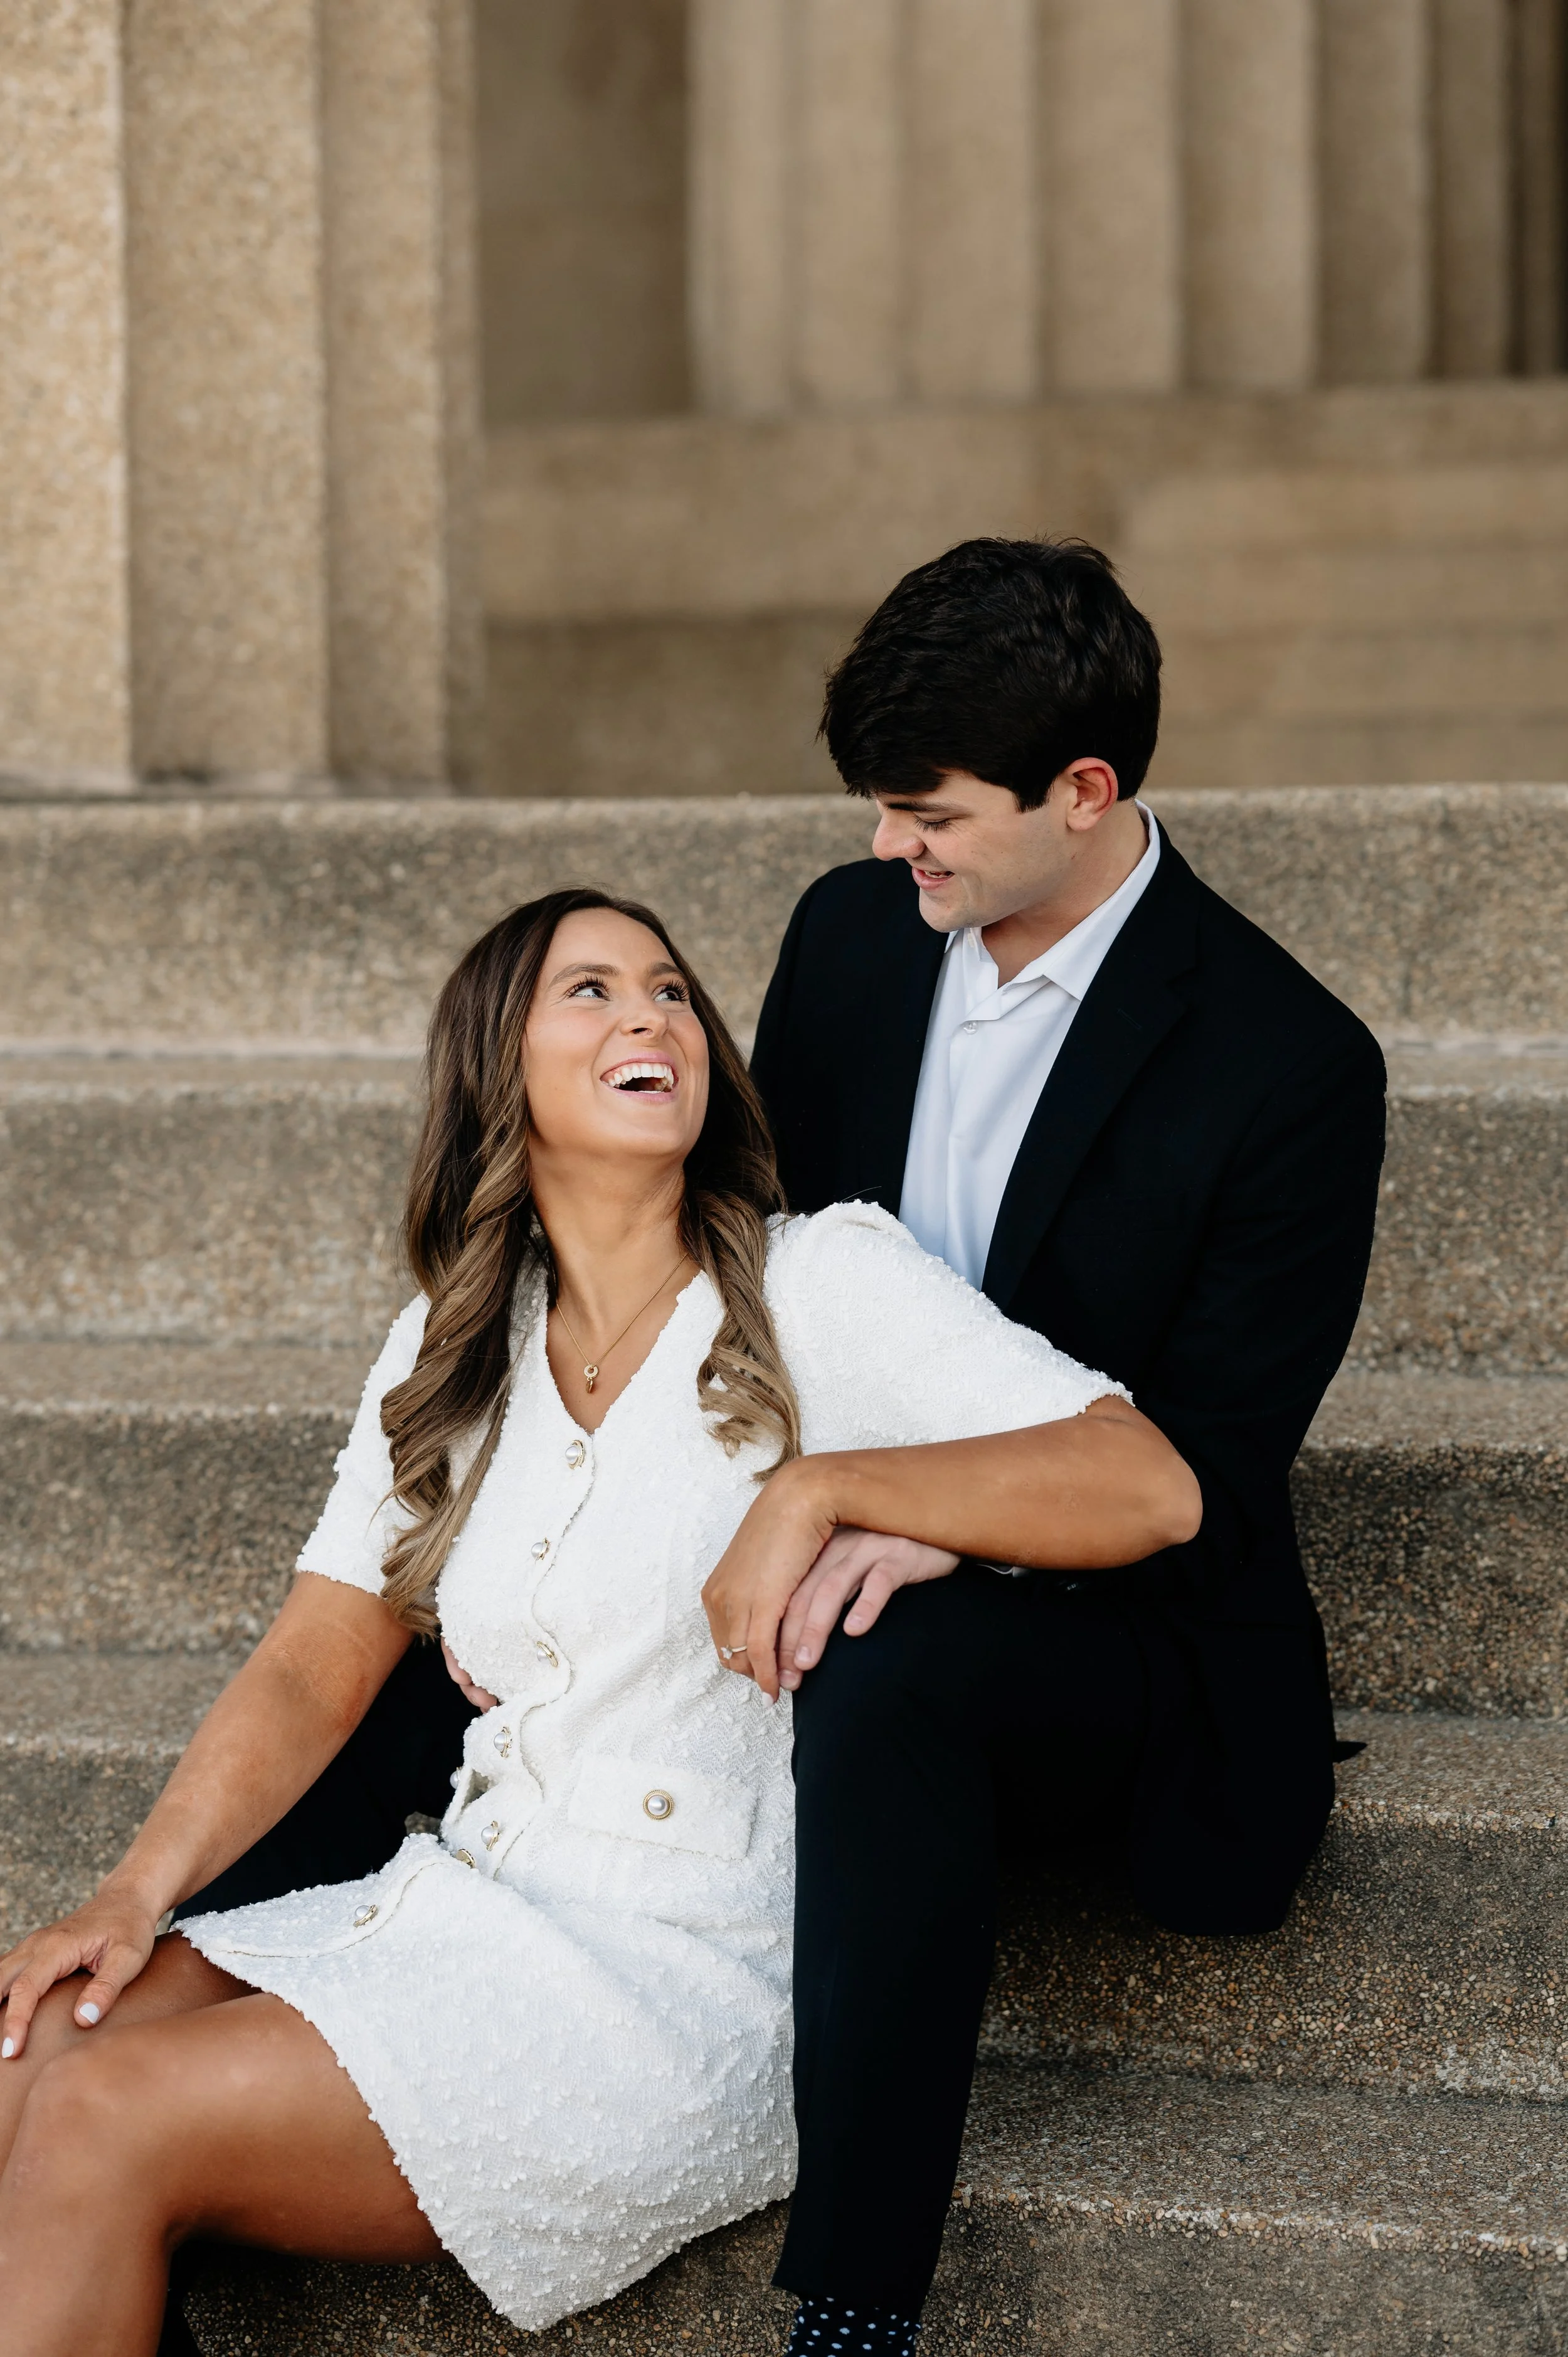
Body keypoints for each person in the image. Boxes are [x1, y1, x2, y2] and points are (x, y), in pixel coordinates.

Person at [0, 888, 1199, 2356]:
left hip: (676, 1978)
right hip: (471, 1897)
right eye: (590, 992)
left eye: (671, 992)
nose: (648, 1016)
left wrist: (822, 1487)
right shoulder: (457, 1339)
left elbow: (1144, 1485)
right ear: (496, 1070)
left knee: (103, 2112)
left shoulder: (824, 1280)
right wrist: (132, 1896)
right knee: (37, 2044)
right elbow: (318, 1656)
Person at [743, 536, 1388, 2338]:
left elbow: (1205, 1464)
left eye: (930, 814)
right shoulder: (847, 937)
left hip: (1133, 1629)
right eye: (880, 810)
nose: (893, 850)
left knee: (891, 1665)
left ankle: (855, 2307)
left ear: (1084, 791)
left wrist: (910, 1512)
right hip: (833, 1529)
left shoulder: (1288, 1064)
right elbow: (774, 1267)